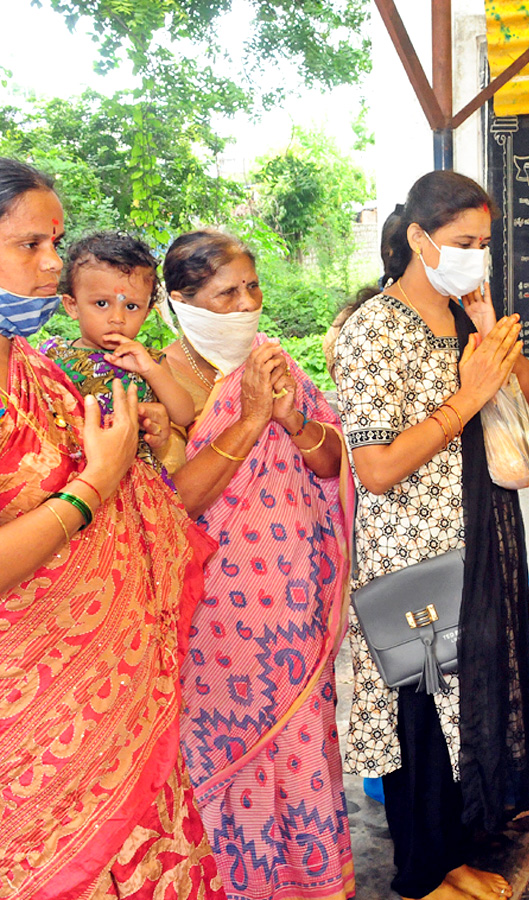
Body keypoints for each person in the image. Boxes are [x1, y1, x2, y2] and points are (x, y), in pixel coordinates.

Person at [0, 159, 224, 897]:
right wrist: (97, 481)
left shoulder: (37, 372)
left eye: (53, 243)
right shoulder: (62, 363)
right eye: (29, 245)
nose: (47, 264)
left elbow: (147, 463)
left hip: (117, 697)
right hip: (33, 723)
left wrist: (141, 437)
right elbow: (93, 486)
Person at [334, 170, 529, 900]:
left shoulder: (462, 317)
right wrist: (467, 396)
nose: (476, 256)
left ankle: (458, 849)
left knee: (471, 699)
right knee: (420, 711)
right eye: (462, 243)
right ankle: (427, 870)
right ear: (419, 240)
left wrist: (490, 335)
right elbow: (377, 468)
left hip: (480, 536)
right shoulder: (372, 332)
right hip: (411, 553)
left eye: (485, 243)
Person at [162, 229, 354, 900]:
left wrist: (292, 418)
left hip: (295, 608)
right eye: (225, 294)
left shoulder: (277, 365)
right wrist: (247, 421)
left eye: (252, 288)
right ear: (183, 304)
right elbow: (171, 505)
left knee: (301, 745)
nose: (247, 304)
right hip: (213, 624)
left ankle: (308, 884)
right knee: (221, 761)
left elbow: (331, 465)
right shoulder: (158, 383)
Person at [42, 231, 194, 476]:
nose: (117, 318)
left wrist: (150, 371)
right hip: (68, 474)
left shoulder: (150, 361)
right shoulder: (52, 356)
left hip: (133, 478)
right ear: (72, 306)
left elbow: (184, 414)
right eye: (102, 303)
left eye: (131, 307)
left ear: (146, 313)